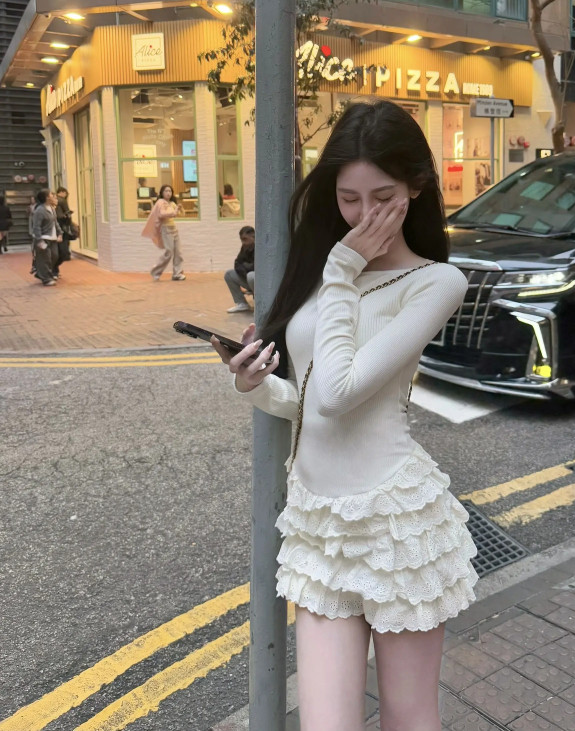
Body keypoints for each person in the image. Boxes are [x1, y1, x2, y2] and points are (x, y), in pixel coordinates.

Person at [212, 100, 477, 731]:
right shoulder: (326, 272)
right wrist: (255, 386)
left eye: (382, 198)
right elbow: (311, 402)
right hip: (319, 523)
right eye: (348, 198)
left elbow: (339, 393)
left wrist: (340, 271)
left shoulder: (435, 282)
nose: (362, 216)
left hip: (395, 525)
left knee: (409, 718)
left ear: (417, 187)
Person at [146, 185, 186, 281]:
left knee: (178, 252)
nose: (168, 193)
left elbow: (180, 214)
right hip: (166, 230)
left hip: (174, 229)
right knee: (169, 253)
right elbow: (162, 214)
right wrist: (174, 212)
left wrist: (180, 208)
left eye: (170, 191)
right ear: (162, 193)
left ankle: (177, 273)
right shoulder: (160, 203)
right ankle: (155, 271)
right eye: (166, 191)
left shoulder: (172, 203)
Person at [31, 189, 62, 286]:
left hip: (53, 238)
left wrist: (60, 233)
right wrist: (39, 240)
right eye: (51, 195)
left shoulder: (51, 208)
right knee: (46, 259)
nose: (53, 196)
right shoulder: (39, 210)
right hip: (44, 238)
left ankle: (40, 271)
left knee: (54, 256)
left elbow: (55, 223)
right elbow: (36, 227)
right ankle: (46, 278)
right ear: (47, 197)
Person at [225, 226, 255, 313]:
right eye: (241, 239)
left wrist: (245, 266)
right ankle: (241, 303)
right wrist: (245, 268)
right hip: (247, 277)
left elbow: (257, 266)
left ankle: (260, 302)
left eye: (245, 239)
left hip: (259, 280)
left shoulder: (260, 247)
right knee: (229, 274)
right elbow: (237, 263)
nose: (243, 242)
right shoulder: (245, 247)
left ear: (253, 236)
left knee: (251, 275)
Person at [55, 187, 73, 270]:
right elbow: (67, 212)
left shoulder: (54, 200)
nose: (66, 195)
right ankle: (65, 255)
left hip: (56, 223)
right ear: (62, 192)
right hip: (63, 222)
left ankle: (60, 254)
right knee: (65, 239)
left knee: (59, 239)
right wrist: (69, 222)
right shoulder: (62, 200)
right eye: (65, 193)